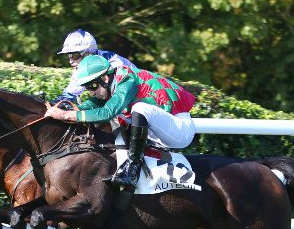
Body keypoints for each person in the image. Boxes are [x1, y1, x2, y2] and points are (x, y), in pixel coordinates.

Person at [45, 55, 196, 190]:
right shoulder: (111, 84)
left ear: (105, 79)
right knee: (120, 119)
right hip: (158, 131)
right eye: (87, 87)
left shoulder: (127, 81)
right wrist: (59, 108)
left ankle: (133, 169)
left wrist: (65, 115)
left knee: (138, 109)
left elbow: (106, 113)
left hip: (180, 130)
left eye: (92, 86)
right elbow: (89, 106)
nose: (91, 92)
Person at [54, 29, 137, 103]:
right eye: (69, 55)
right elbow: (70, 94)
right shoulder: (85, 66)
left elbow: (114, 105)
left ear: (89, 53)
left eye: (75, 55)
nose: (70, 61)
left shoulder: (114, 64)